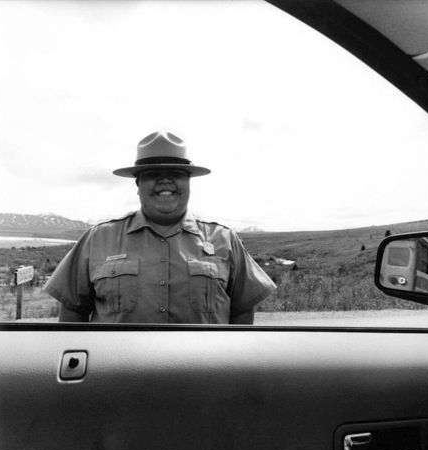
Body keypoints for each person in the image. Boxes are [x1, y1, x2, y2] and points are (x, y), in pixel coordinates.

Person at [44, 131, 276, 324]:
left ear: (188, 182)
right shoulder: (98, 238)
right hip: (117, 374)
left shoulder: (224, 239)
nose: (165, 181)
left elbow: (243, 310)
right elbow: (72, 311)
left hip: (203, 374)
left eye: (175, 174)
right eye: (153, 174)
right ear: (137, 184)